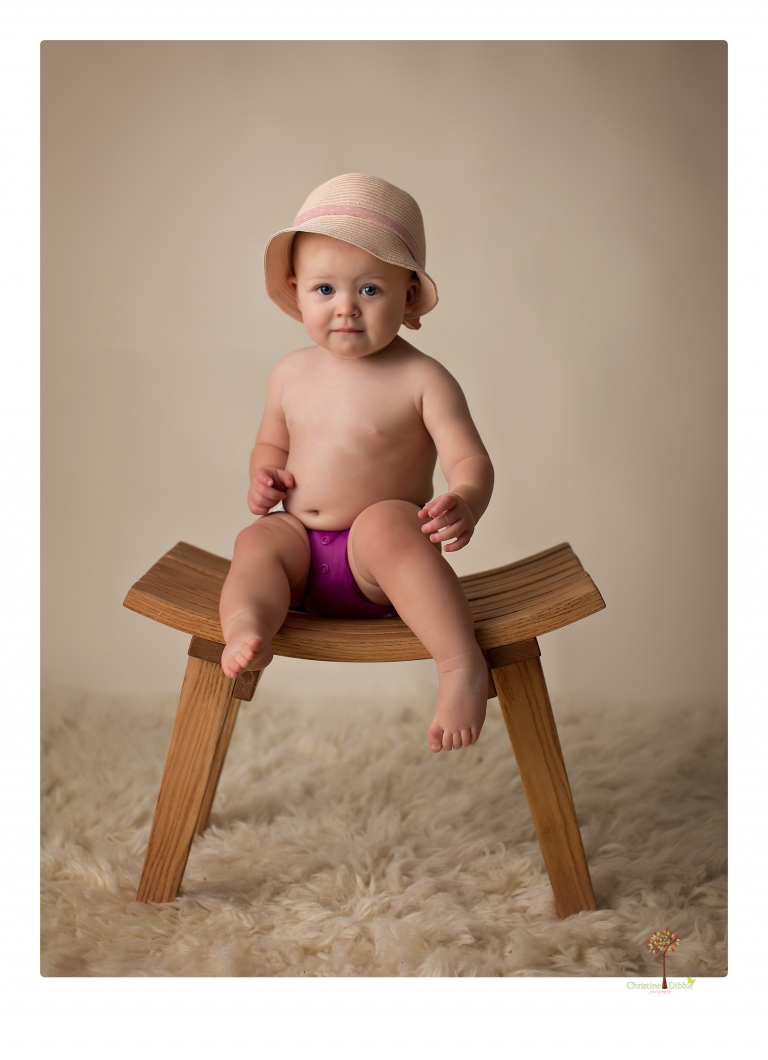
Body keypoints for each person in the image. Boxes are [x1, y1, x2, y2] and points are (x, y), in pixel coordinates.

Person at [219, 173, 494, 753]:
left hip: (377, 568)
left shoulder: (422, 379)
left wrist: (464, 500)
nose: (345, 307)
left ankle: (459, 664)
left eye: (369, 289)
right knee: (256, 541)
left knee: (388, 524)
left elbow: (469, 458)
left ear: (409, 297)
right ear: (297, 292)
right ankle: (247, 627)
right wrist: (263, 478)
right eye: (324, 289)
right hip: (300, 554)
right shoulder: (290, 373)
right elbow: (270, 446)